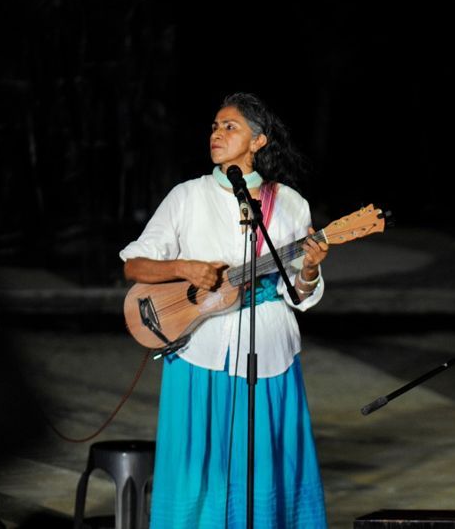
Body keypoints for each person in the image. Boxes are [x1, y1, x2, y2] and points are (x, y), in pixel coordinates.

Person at [120, 93, 328, 528]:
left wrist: (308, 267)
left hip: (269, 351)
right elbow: (134, 265)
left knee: (265, 465)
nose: (217, 133)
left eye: (230, 127)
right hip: (200, 348)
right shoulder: (187, 196)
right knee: (199, 470)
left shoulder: (288, 203)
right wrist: (184, 267)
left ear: (259, 141)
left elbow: (300, 294)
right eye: (214, 126)